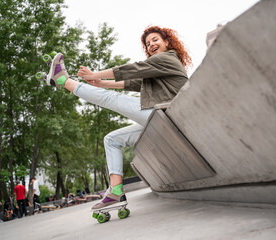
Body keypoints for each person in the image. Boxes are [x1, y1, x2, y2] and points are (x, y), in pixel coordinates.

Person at [41, 26, 192, 210]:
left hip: (169, 116)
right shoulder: (157, 70)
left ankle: (63, 80)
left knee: (112, 99)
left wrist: (94, 74)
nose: (151, 44)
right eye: (148, 43)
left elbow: (133, 69)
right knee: (111, 139)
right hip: (164, 123)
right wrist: (100, 83)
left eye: (155, 40)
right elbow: (132, 83)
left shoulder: (168, 58)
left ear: (167, 42)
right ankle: (116, 191)